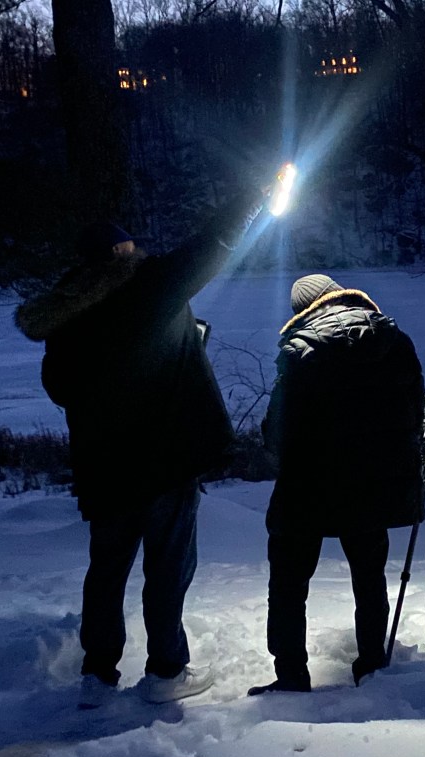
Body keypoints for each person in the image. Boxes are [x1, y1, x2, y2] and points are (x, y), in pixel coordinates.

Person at [15, 183, 269, 708]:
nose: (138, 252)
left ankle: (97, 676)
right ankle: (165, 672)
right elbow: (212, 244)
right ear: (120, 252)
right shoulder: (147, 287)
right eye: (130, 247)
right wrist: (254, 196)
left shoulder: (66, 318)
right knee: (168, 569)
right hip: (163, 462)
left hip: (104, 470)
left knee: (106, 572)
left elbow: (59, 388)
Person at [247, 274, 425, 695]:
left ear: (303, 310)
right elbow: (413, 410)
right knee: (369, 578)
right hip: (373, 484)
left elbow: (278, 431)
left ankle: (291, 674)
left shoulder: (300, 351)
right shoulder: (394, 341)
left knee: (288, 584)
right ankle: (372, 666)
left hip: (307, 486)